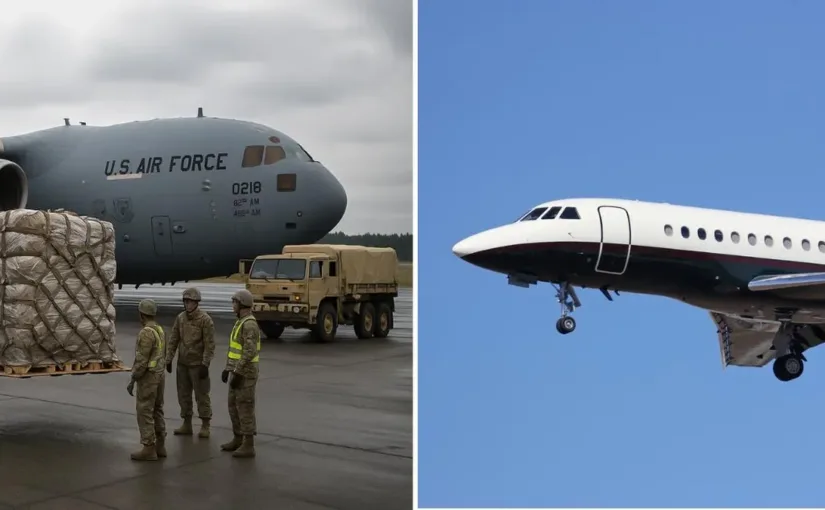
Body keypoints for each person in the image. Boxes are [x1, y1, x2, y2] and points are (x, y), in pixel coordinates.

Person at [166, 287, 216, 438]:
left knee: (202, 395)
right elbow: (174, 339)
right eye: (186, 301)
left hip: (197, 365)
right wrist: (169, 359)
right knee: (183, 395)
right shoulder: (181, 318)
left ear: (196, 302)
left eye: (190, 301)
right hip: (183, 364)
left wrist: (205, 364)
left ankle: (205, 424)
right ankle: (186, 423)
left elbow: (210, 344)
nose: (188, 304)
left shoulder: (205, 320)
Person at [220, 289, 261, 458]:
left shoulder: (249, 324)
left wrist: (237, 372)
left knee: (245, 408)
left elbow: (249, 352)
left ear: (242, 304)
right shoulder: (240, 322)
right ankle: (238, 438)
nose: (233, 305)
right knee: (233, 406)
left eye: (235, 302)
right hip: (237, 372)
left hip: (246, 374)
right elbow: (236, 350)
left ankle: (248, 444)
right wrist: (228, 369)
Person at [127, 299, 167, 461]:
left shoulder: (146, 333)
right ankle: (160, 445)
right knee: (157, 409)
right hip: (159, 374)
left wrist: (133, 378)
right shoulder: (159, 330)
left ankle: (149, 447)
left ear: (141, 314)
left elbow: (142, 360)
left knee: (144, 410)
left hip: (148, 377)